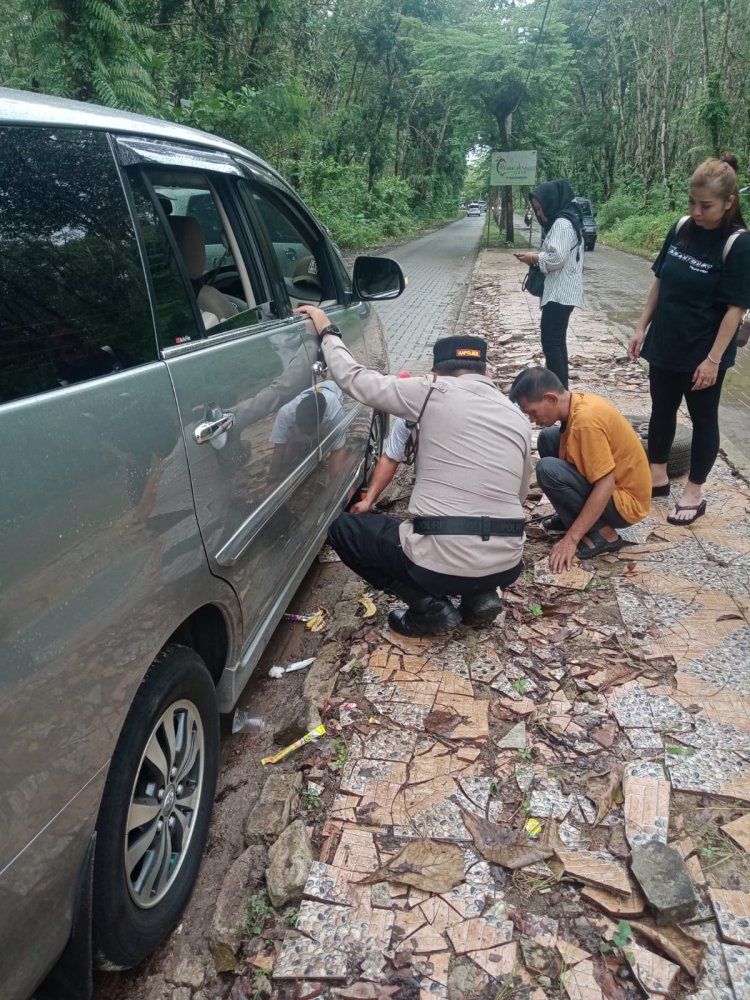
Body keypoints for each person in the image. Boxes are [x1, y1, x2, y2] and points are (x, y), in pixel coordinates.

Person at [296, 305, 532, 637]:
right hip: (508, 563)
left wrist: (326, 329)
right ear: (485, 372)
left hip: (442, 560)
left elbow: (354, 379)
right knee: (471, 532)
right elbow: (519, 494)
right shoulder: (517, 416)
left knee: (344, 530)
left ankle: (430, 607)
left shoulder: (430, 391)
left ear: (436, 372)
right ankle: (479, 594)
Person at [628, 158, 750, 526]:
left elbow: (735, 308)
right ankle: (658, 476)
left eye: (706, 205)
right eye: (692, 203)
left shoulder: (738, 244)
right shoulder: (681, 228)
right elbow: (660, 281)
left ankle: (694, 492)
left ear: (728, 202)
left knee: (702, 418)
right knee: (661, 410)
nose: (697, 212)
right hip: (665, 341)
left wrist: (713, 360)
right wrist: (640, 328)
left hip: (704, 349)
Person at [509, 367, 651, 573]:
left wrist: (571, 538)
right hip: (615, 489)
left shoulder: (585, 423)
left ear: (550, 399)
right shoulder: (578, 402)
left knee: (548, 469)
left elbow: (606, 484)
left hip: (626, 504)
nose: (532, 419)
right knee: (548, 438)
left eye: (532, 412)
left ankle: (604, 535)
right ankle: (575, 517)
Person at [517, 179, 584, 389]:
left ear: (551, 202)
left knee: (551, 343)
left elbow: (556, 259)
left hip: (560, 293)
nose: (539, 214)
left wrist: (534, 258)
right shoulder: (564, 220)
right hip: (560, 292)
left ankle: (559, 394)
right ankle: (561, 391)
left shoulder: (562, 224)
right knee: (556, 343)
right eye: (535, 210)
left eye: (540, 209)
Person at [269, 380, 347, 480]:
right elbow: (278, 448)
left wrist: (334, 485)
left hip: (334, 390)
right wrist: (273, 479)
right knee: (293, 450)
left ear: (319, 423)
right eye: (301, 429)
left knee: (325, 444)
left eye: (308, 432)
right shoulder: (285, 414)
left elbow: (338, 450)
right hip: (314, 398)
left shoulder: (334, 413)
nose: (303, 434)